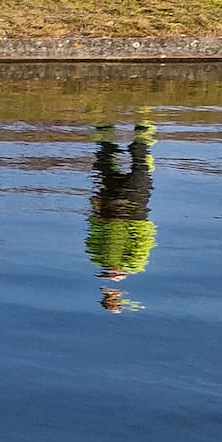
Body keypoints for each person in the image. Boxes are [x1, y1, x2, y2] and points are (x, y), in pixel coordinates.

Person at [87, 122, 157, 312]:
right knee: (140, 162)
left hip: (108, 209)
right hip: (133, 210)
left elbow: (93, 233)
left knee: (105, 161)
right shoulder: (135, 262)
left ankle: (104, 128)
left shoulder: (97, 258)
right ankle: (143, 126)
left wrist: (96, 210)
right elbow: (144, 237)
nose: (110, 275)